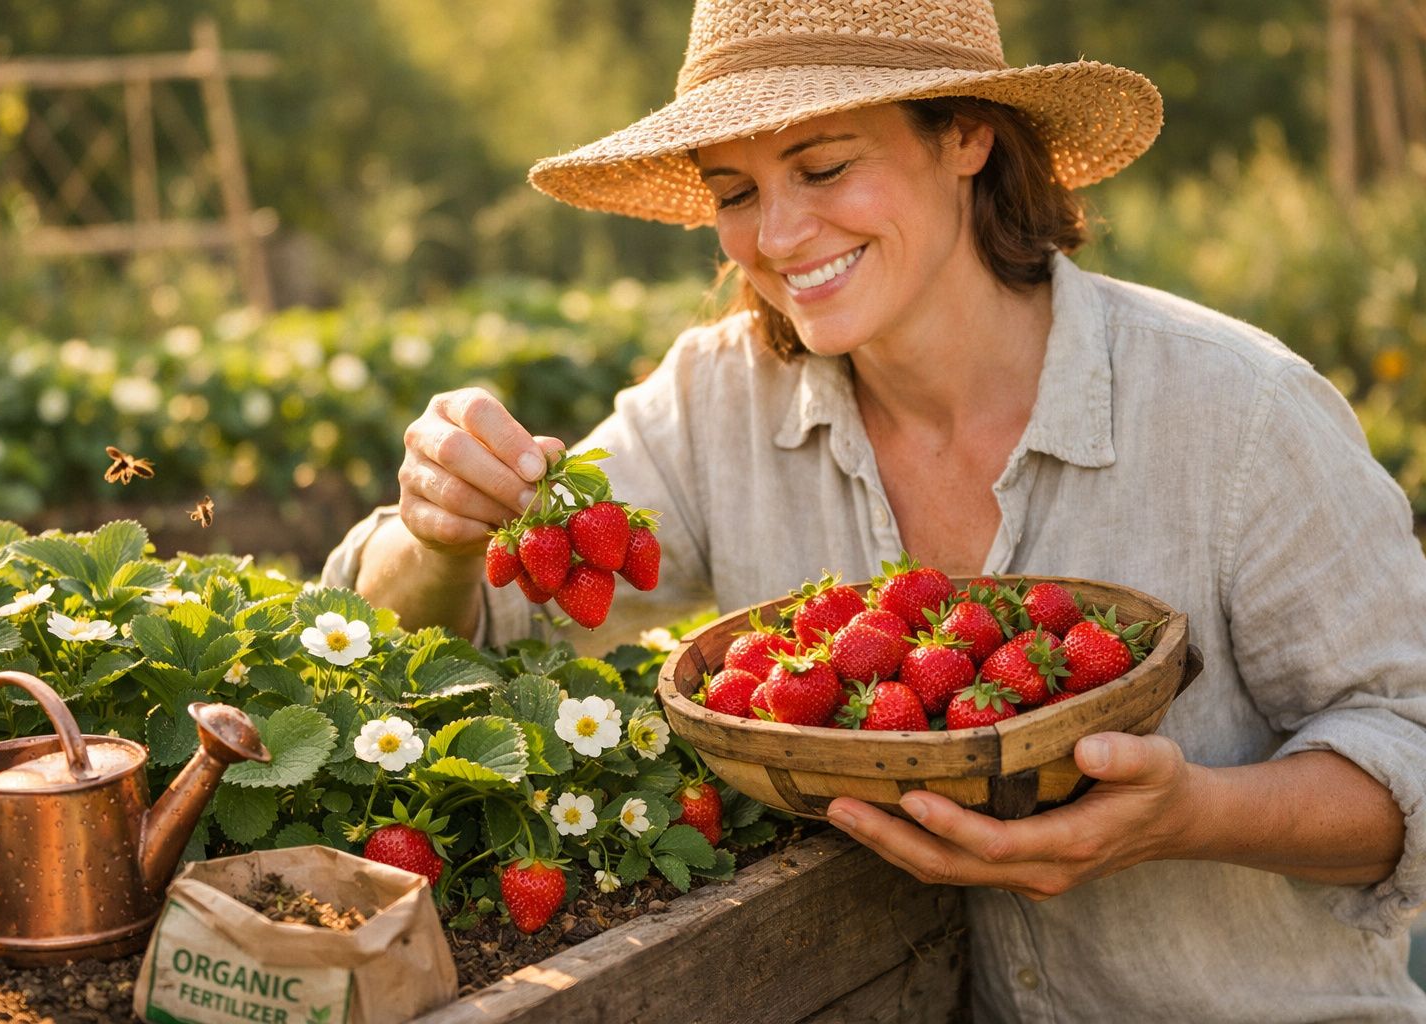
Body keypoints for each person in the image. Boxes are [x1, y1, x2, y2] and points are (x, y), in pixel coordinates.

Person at [323, 0, 1426, 1018]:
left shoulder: (1237, 412)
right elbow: (455, 641)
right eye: (735, 191)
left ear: (965, 137)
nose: (782, 234)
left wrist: (1190, 820)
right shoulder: (717, 405)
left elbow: (1408, 745)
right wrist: (440, 532)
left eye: (824, 166)